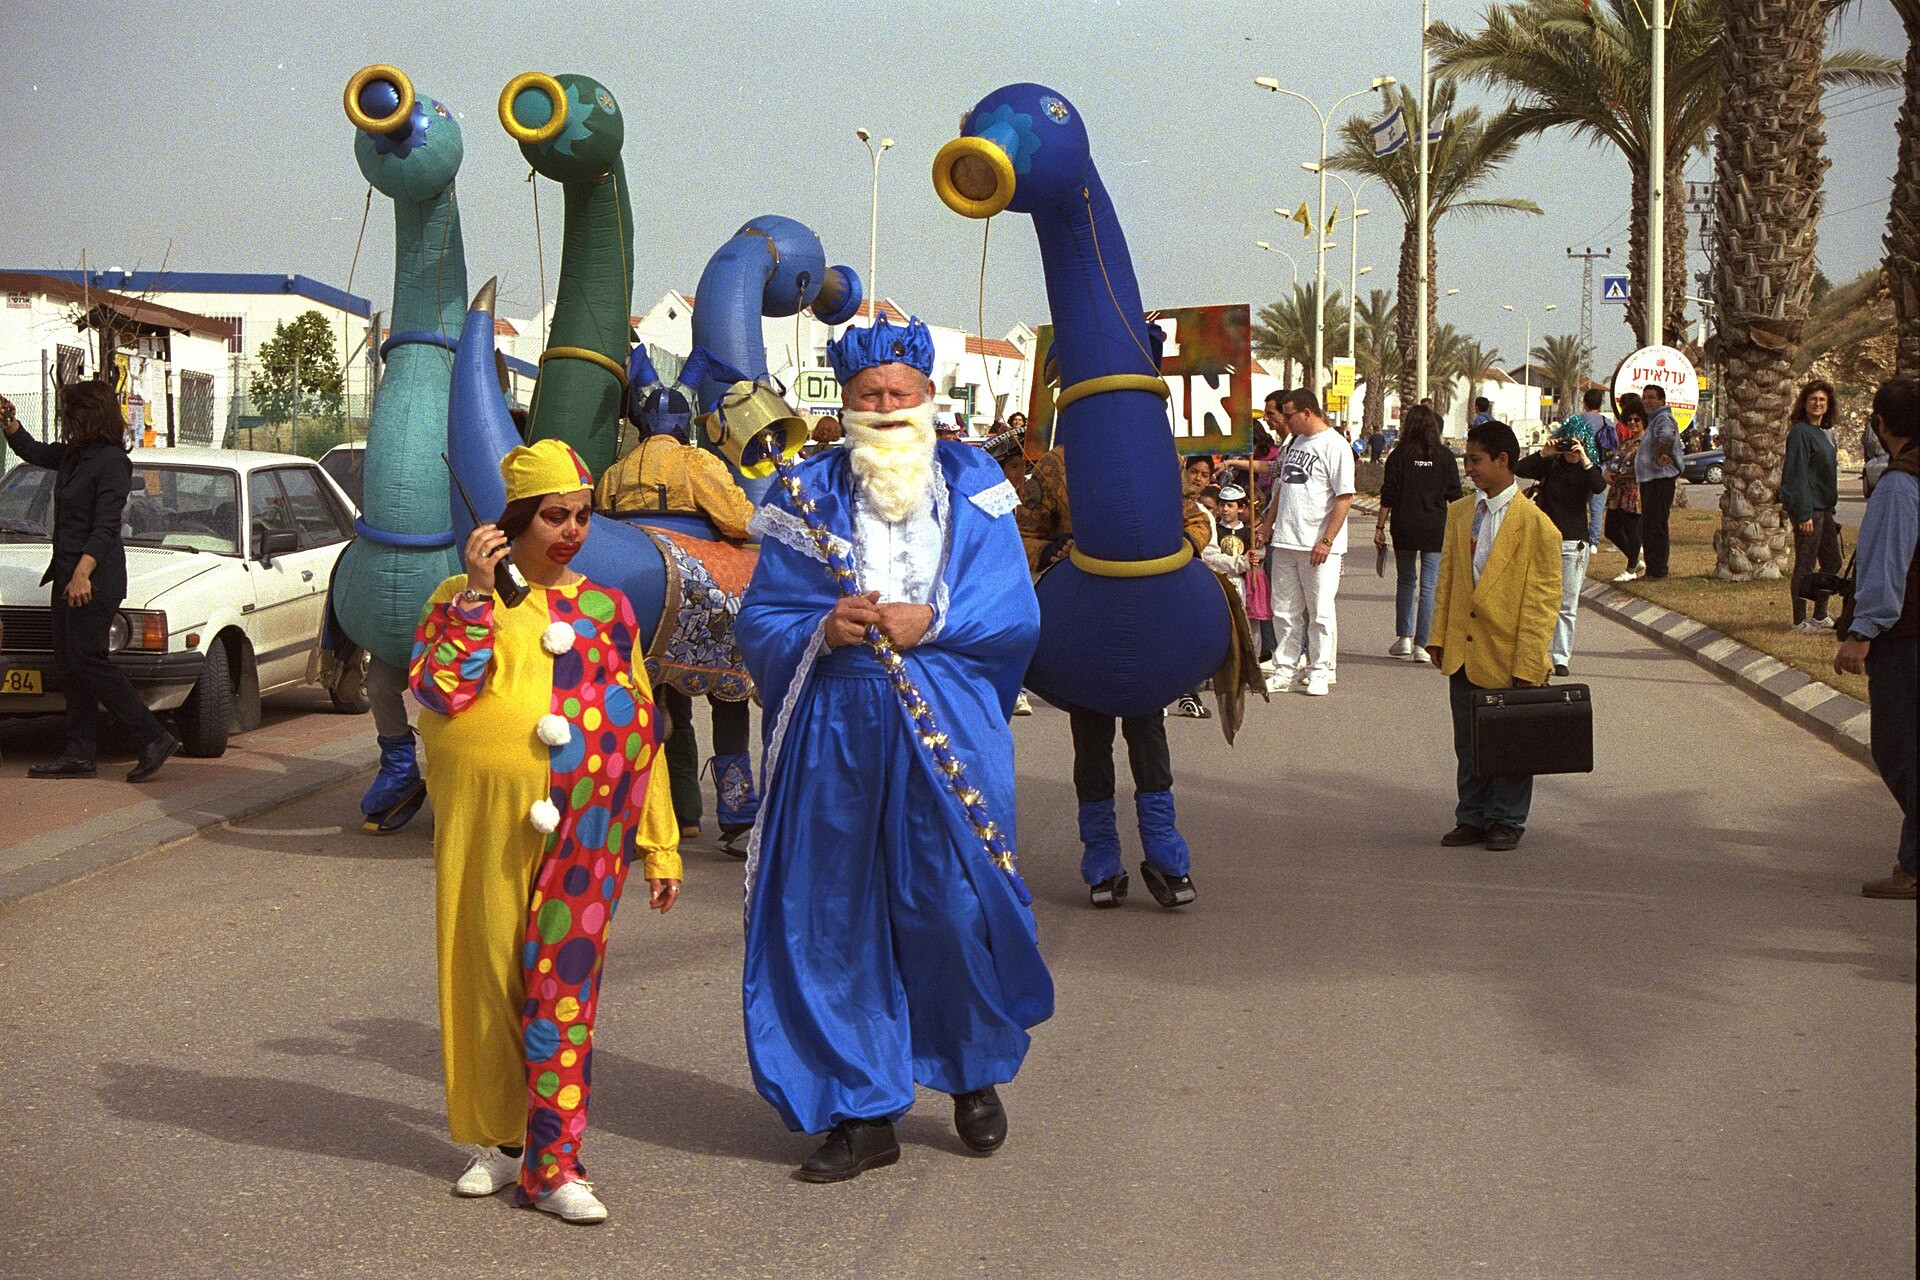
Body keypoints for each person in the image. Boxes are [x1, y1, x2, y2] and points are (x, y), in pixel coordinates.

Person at [736, 313, 1053, 1182]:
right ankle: (860, 1108)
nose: (886, 406)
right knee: (830, 914)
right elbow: (760, 616)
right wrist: (820, 626)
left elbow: (1015, 607)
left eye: (899, 393)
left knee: (951, 904)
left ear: (928, 398)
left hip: (943, 710)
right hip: (834, 721)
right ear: (847, 404)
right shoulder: (802, 491)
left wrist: (933, 621)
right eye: (870, 395)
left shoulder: (976, 482)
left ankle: (971, 1072)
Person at [410, 438, 681, 1225]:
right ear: (516, 519)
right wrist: (477, 594)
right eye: (554, 516)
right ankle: (500, 1143)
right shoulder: (459, 596)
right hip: (486, 826)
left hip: (589, 831)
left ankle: (556, 1165)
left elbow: (641, 725)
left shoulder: (609, 610)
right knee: (488, 982)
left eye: (583, 516)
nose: (572, 531)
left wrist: (660, 842)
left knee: (563, 991)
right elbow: (442, 690)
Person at [1017, 416, 1209, 906]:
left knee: (1148, 734)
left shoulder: (1157, 459)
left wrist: (1181, 550)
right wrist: (1051, 550)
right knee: (1091, 741)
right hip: (1084, 626)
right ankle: (1101, 860)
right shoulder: (1055, 466)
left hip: (1146, 623)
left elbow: (1196, 521)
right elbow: (1021, 532)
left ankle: (1166, 856)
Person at [596, 383, 761, 852]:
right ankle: (736, 814)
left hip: (630, 585)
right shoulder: (696, 461)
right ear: (683, 424)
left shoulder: (614, 472)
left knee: (648, 697)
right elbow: (739, 520)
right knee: (728, 691)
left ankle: (655, 812)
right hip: (695, 581)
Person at [0, 385, 176, 782]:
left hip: (94, 579)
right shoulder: (74, 455)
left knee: (87, 659)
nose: (65, 421)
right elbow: (35, 451)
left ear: (87, 415)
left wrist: (83, 573)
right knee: (69, 665)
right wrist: (11, 425)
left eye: (69, 414)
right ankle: (79, 754)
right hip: (67, 576)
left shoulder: (112, 462)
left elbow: (106, 525)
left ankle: (153, 737)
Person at [1428, 420, 1561, 852]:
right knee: (1468, 743)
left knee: (1511, 743)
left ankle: (1506, 819)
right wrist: (1437, 636)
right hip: (1463, 652)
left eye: (1475, 460)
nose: (1468, 468)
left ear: (1503, 461)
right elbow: (1447, 579)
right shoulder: (1460, 514)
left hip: (1509, 653)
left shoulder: (1538, 527)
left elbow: (1542, 603)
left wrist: (1529, 662)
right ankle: (1471, 816)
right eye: (1467, 459)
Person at [1833, 376, 1918, 900]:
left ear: (1880, 424)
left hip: (1905, 638)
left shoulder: (1899, 484)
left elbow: (1888, 565)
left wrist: (1862, 632)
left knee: (1899, 750)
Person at [1255, 388, 1355, 696]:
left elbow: (1344, 497)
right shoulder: (1294, 443)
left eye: (1289, 415)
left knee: (1320, 611)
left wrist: (1326, 540)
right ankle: (1285, 668)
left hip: (1317, 545)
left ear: (1307, 412)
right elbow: (1282, 488)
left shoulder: (1335, 445)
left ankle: (1320, 670)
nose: (1285, 421)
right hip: (1286, 540)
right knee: (1284, 610)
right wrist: (1267, 525)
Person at [1513, 420, 1607, 676]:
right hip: (1544, 541)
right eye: (1567, 440)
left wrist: (1584, 458)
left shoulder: (1587, 469)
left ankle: (1561, 658)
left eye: (1577, 442)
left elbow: (1599, 486)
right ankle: (1536, 654)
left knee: (1567, 604)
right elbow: (1519, 469)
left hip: (1574, 544)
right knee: (1539, 600)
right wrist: (1545, 453)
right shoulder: (1550, 465)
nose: (1570, 447)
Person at [1375, 404, 1462, 663]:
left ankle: (1404, 637)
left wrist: (1379, 527)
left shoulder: (1398, 456)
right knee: (1429, 586)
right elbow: (1455, 495)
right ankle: (1422, 645)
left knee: (1406, 580)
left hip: (1404, 525)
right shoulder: (1445, 457)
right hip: (1434, 525)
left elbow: (1388, 493)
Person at [1781, 379, 1843, 633]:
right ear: (1804, 403)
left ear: (1828, 405)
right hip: (1809, 511)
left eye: (1822, 400)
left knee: (1833, 562)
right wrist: (1803, 513)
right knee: (1805, 565)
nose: (1818, 403)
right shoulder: (1800, 432)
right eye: (1813, 399)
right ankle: (1799, 620)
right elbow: (1796, 475)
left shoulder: (1823, 434)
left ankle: (1820, 614)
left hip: (1824, 511)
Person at [1635, 383, 1687, 580]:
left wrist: (1660, 453)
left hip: (1660, 479)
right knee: (1649, 524)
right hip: (1650, 479)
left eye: (1651, 397)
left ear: (1662, 400)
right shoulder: (1653, 420)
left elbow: (1666, 435)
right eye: (1644, 397)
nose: (1647, 401)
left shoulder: (1663, 418)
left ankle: (1658, 570)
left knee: (1656, 525)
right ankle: (1652, 568)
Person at [1604, 395, 1647, 581]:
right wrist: (1608, 473)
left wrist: (1622, 474)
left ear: (1644, 421)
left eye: (1637, 419)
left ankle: (1630, 570)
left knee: (1632, 529)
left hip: (1633, 491)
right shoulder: (1626, 442)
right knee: (1611, 530)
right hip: (1617, 492)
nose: (1632, 423)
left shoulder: (1646, 443)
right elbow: (1614, 463)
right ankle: (1634, 560)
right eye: (1629, 419)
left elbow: (1642, 468)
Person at [1578, 388, 1617, 545]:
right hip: (1600, 469)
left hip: (1579, 467)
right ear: (1600, 404)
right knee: (1597, 508)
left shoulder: (1577, 421)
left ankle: (1579, 537)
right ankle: (1593, 541)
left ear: (1585, 403)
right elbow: (1614, 447)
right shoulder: (1607, 423)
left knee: (1576, 506)